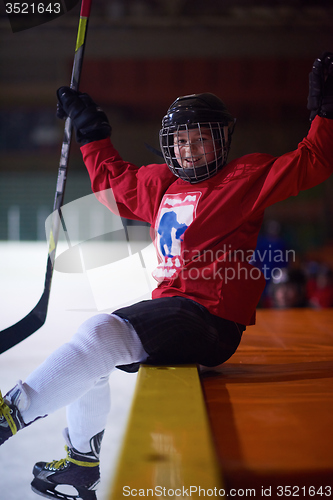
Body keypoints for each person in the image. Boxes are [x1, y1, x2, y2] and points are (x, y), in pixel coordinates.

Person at [1, 52, 333, 500]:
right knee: (93, 359)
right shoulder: (161, 183)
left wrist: (326, 116)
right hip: (173, 310)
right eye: (180, 141)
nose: (189, 149)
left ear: (222, 142)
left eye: (201, 140)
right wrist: (93, 133)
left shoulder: (243, 178)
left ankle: (10, 414)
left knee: (99, 331)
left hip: (211, 320)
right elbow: (114, 187)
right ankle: (80, 464)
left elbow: (312, 161)